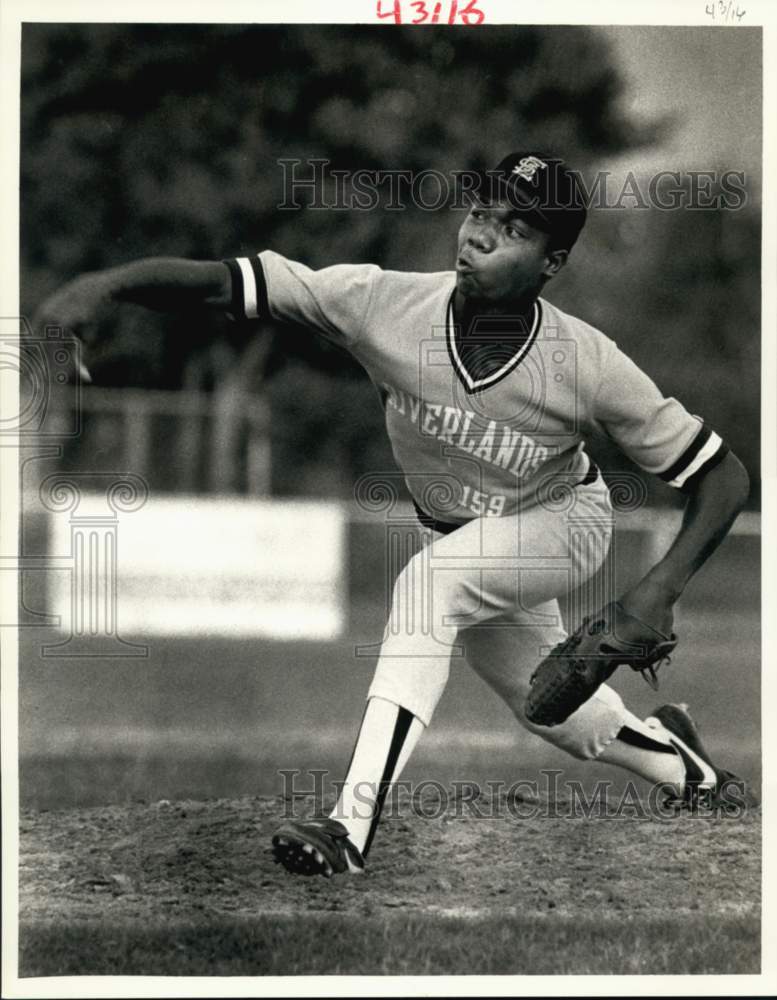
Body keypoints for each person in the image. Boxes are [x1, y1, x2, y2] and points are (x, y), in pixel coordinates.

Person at [35, 153, 752, 879]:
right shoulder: (380, 304)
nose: (480, 234)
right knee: (548, 707)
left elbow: (722, 476)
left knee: (427, 586)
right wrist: (110, 285)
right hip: (469, 542)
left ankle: (348, 826)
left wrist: (657, 590)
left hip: (565, 522)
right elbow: (237, 282)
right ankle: (684, 766)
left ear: (551, 261)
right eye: (479, 212)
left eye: (513, 227)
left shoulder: (585, 361)